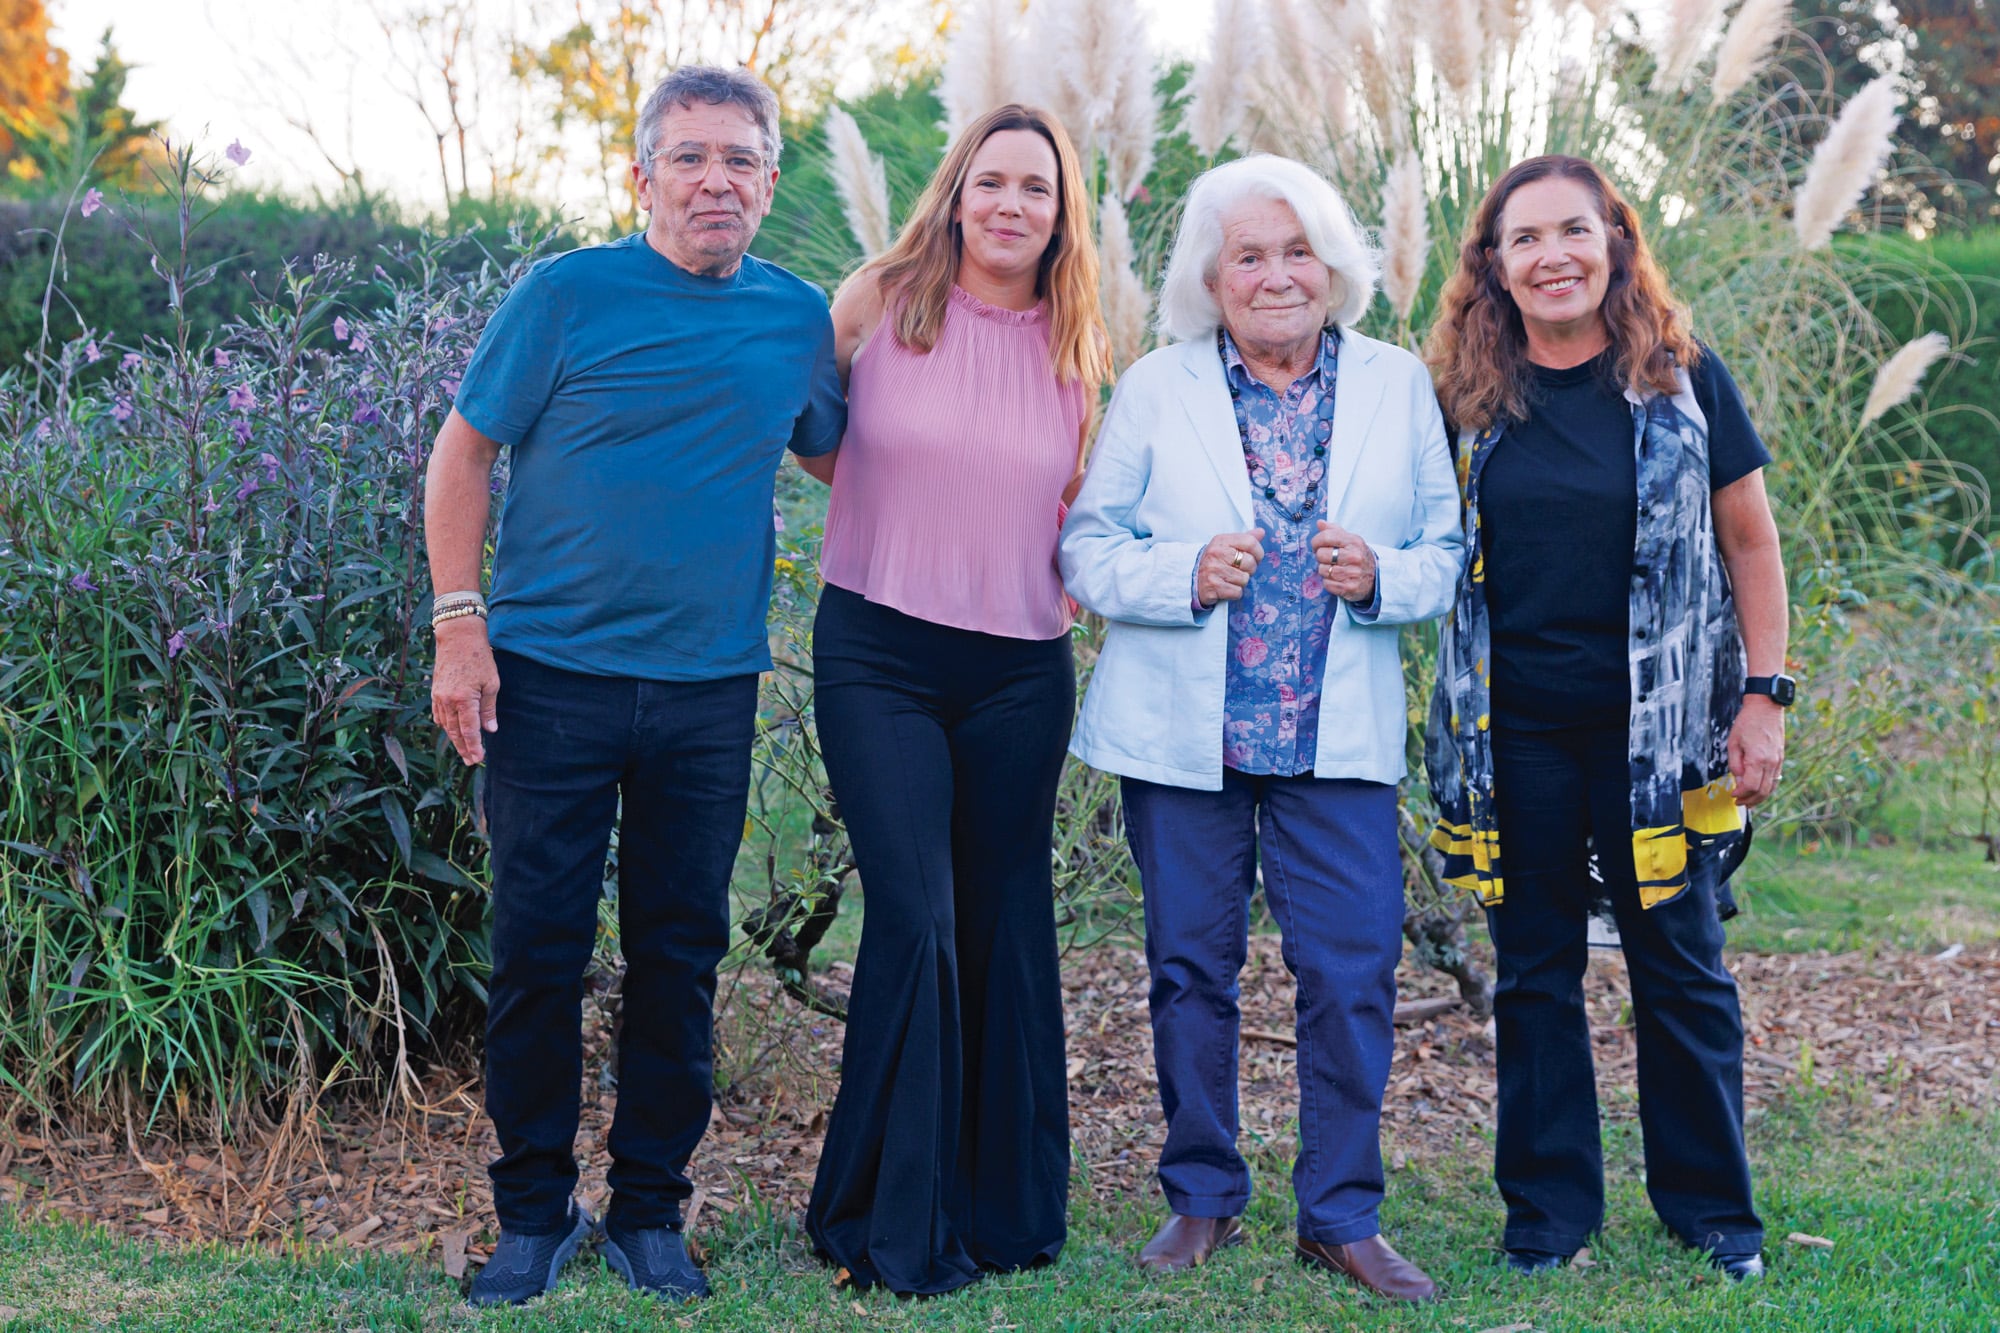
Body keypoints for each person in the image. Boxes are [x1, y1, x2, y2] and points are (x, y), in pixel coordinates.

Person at [423, 65, 844, 1307]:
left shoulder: (795, 319)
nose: (716, 179)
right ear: (642, 175)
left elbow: (844, 458)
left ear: (770, 181)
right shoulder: (566, 293)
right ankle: (533, 1213)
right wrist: (461, 624)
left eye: (741, 159)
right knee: (537, 950)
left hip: (708, 691)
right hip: (549, 682)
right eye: (691, 156)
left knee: (678, 952)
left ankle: (651, 1209)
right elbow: (464, 451)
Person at [1059, 154, 1463, 1303]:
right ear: (1212, 275)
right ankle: (1200, 1196)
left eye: (1296, 252)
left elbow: (1444, 550)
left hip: (1332, 738)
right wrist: (1182, 571)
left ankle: (1339, 1212)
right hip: (1183, 737)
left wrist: (1382, 575)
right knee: (1190, 966)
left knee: (1350, 969)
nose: (1275, 275)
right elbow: (1086, 546)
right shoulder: (1155, 384)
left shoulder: (1394, 384)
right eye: (1249, 255)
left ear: (1332, 266)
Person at [1422, 154, 1790, 1282]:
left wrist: (1762, 696)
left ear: (1615, 242)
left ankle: (1711, 1214)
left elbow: (1749, 542)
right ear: (1492, 264)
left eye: (1572, 232)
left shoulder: (1683, 381)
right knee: (1533, 971)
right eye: (1522, 239)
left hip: (1666, 734)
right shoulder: (1460, 396)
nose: (1551, 256)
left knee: (1679, 963)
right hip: (1513, 734)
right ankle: (1545, 1216)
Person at [797, 103, 1111, 1297]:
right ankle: (890, 1215)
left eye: (1035, 188)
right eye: (992, 182)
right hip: (878, 650)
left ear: (1059, 211)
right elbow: (813, 436)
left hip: (1020, 671)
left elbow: (1076, 495)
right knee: (915, 917)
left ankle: (1004, 1208)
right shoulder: (878, 296)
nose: (1010, 206)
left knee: (999, 923)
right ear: (956, 189)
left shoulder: (1078, 334)